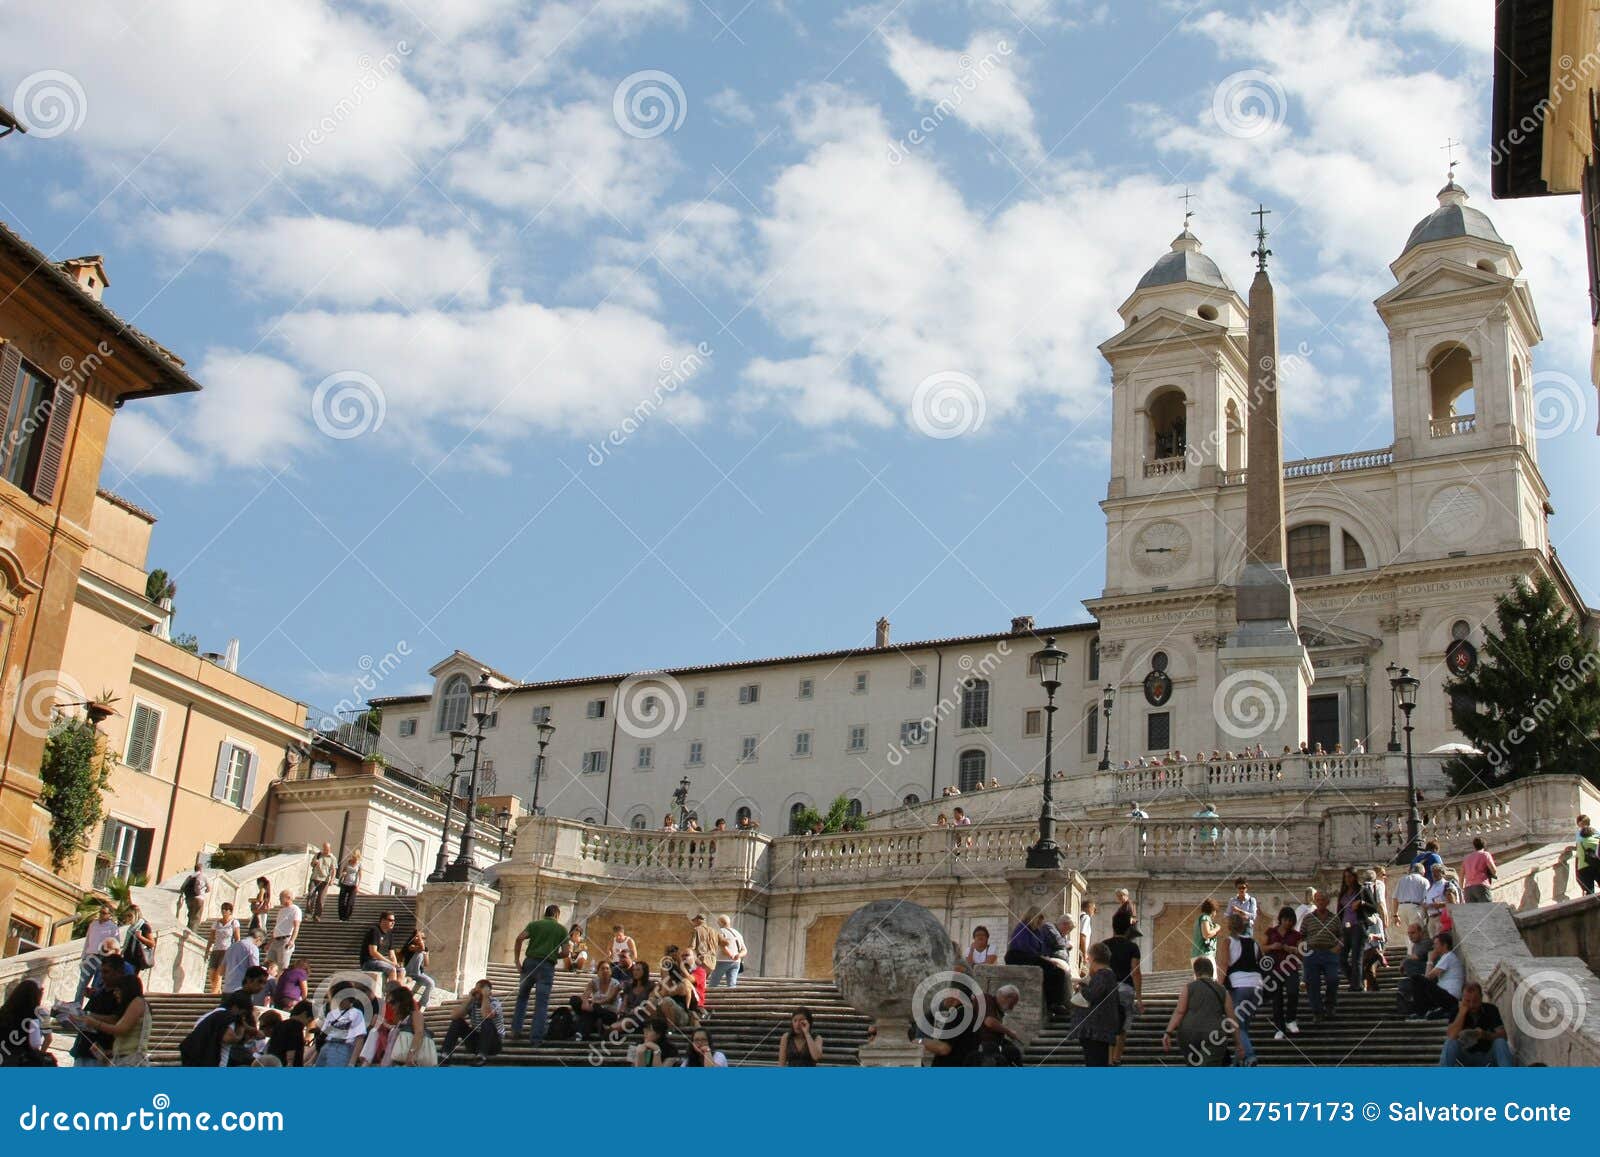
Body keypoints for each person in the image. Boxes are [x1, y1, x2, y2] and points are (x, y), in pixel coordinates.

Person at [1163, 957, 1238, 1066]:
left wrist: (1168, 1032)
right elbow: (1232, 1018)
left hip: (1188, 1034)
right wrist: (1239, 1044)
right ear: (1212, 971)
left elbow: (1179, 1012)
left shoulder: (1188, 987)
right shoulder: (1222, 990)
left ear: (1196, 972)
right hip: (1213, 1034)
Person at [513, 902, 568, 1042]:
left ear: (545, 913)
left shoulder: (534, 924)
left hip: (530, 962)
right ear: (557, 915)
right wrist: (554, 954)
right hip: (547, 966)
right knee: (541, 1003)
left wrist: (517, 960)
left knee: (522, 997)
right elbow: (566, 952)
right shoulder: (561, 929)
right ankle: (536, 1037)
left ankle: (516, 1030)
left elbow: (519, 938)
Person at [74, 973, 151, 1066]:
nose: (115, 993)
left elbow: (121, 1029)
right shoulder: (132, 1005)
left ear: (126, 990)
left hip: (131, 1060)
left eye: (118, 990)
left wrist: (95, 1023)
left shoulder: (138, 1002)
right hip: (122, 1059)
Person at [1004, 909, 1068, 1014]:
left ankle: (1057, 1003)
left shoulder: (1038, 932)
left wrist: (1047, 958)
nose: (1040, 923)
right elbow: (1025, 947)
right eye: (1039, 920)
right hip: (1018, 956)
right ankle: (1054, 1004)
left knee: (1058, 971)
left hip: (1032, 956)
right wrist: (1044, 959)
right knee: (1051, 970)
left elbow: (1041, 949)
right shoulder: (1022, 928)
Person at [1220, 914, 1262, 1066]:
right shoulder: (1254, 942)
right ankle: (1238, 1060)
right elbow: (1259, 962)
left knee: (1237, 1024)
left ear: (1229, 926)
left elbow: (1224, 964)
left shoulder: (1228, 941)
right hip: (1257, 987)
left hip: (1239, 985)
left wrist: (1218, 986)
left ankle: (1250, 1056)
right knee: (1243, 1027)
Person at [1072, 942, 1122, 1067]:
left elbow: (1093, 994)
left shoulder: (1104, 974)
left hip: (1096, 1031)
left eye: (1088, 959)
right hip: (1099, 1031)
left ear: (1092, 958)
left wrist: (1081, 988)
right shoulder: (1108, 975)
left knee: (1095, 1062)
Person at [1440, 983, 1515, 1067]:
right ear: (1462, 999)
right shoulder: (1456, 1010)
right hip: (1464, 1056)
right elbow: (1451, 1036)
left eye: (1475, 1001)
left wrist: (1485, 1035)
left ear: (1481, 998)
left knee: (1500, 1042)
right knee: (1450, 1043)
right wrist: (1461, 1013)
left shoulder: (1491, 1009)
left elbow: (1503, 1036)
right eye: (1467, 1001)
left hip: (1487, 1056)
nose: (1471, 1005)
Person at [1103, 913, 1143, 1065]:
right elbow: (1135, 972)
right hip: (1125, 989)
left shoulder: (1104, 945)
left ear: (1113, 927)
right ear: (1128, 929)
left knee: (1108, 1025)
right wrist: (1139, 998)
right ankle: (1116, 1059)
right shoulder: (1132, 947)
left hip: (1107, 989)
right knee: (1123, 1026)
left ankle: (1108, 1060)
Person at [180, 990, 258, 1067]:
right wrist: (240, 1033)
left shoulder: (209, 1015)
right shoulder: (227, 1016)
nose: (242, 1016)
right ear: (236, 1007)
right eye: (243, 1013)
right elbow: (228, 1038)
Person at [1299, 890, 1343, 1021]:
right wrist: (1303, 949)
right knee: (1312, 983)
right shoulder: (1308, 918)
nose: (1320, 902)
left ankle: (1330, 1006)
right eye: (1318, 900)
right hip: (1312, 953)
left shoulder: (1335, 918)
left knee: (1333, 979)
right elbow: (1301, 936)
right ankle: (1317, 1011)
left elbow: (1342, 936)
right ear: (1315, 901)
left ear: (1327, 902)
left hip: (1330, 953)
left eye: (1323, 900)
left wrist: (1338, 947)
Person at [442, 979, 503, 1065]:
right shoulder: (473, 1003)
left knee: (486, 1021)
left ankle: (481, 1056)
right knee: (457, 1022)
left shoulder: (495, 1003)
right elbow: (454, 1016)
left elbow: (486, 1015)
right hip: (475, 1042)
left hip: (493, 1044)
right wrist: (469, 999)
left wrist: (485, 997)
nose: (477, 993)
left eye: (479, 991)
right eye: (476, 990)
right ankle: (445, 1054)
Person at [1264, 906, 1302, 1039]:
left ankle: (1290, 1019)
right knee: (1277, 998)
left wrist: (1293, 949)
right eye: (1286, 920)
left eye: (1291, 921)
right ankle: (1279, 1027)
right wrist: (1272, 946)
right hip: (1274, 968)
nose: (1288, 923)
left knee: (1293, 991)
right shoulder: (1271, 932)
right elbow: (1262, 947)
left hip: (1290, 968)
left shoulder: (1296, 935)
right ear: (1281, 919)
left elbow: (1301, 952)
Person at [1409, 931, 1465, 1021]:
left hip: (1450, 997)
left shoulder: (1448, 956)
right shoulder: (1445, 957)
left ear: (1444, 945)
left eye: (1436, 944)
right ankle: (1425, 1011)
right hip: (1446, 997)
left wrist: (1430, 959)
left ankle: (1421, 1012)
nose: (1433, 947)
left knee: (1416, 978)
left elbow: (1428, 977)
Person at [0, 979, 53, 1067]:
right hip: (23, 1058)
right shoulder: (41, 1013)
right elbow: (47, 1039)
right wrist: (39, 1056)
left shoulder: (4, 1010)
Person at [75, 903, 119, 1003]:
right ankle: (77, 1004)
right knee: (82, 985)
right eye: (101, 912)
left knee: (96, 986)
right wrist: (83, 957)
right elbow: (87, 941)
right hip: (90, 956)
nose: (101, 915)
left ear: (109, 915)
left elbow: (115, 945)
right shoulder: (93, 924)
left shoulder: (113, 928)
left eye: (104, 913)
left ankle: (91, 1007)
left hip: (102, 959)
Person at [314, 987, 368, 1067]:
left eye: (342, 998)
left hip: (342, 1047)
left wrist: (352, 1062)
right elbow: (323, 1036)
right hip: (326, 1046)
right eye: (337, 997)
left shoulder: (356, 1013)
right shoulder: (331, 1014)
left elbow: (360, 1039)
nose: (339, 1001)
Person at [378, 986, 431, 1066]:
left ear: (402, 1001)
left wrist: (411, 1053)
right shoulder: (402, 1021)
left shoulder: (416, 1014)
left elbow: (419, 1033)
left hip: (411, 1060)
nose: (391, 1006)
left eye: (393, 1002)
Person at [571, 961, 622, 1039]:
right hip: (594, 1010)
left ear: (611, 972)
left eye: (607, 968)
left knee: (594, 1009)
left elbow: (609, 999)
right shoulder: (594, 982)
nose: (605, 971)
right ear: (598, 972)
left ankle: (581, 1032)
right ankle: (580, 1034)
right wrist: (585, 1003)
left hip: (609, 1013)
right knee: (574, 1000)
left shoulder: (615, 983)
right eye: (602, 969)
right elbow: (585, 995)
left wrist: (594, 1004)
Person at [204, 902, 240, 995]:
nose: (224, 911)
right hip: (215, 950)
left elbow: (237, 939)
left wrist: (236, 952)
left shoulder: (234, 922)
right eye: (223, 909)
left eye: (226, 909)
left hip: (226, 950)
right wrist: (207, 950)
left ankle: (213, 994)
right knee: (212, 974)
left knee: (218, 974)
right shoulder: (216, 923)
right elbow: (211, 938)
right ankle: (218, 991)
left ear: (230, 911)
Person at [266, 1000, 315, 1067]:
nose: (308, 1023)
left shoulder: (280, 1024)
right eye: (310, 1019)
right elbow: (292, 1048)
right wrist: (290, 1064)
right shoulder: (296, 1026)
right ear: (304, 1014)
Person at [360, 911, 402, 984]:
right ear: (383, 920)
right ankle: (392, 990)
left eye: (394, 920)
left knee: (401, 970)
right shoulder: (375, 931)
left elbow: (392, 955)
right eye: (390, 920)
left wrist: (395, 964)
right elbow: (373, 952)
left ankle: (398, 990)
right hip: (369, 962)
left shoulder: (390, 934)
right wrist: (390, 963)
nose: (393, 922)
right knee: (392, 969)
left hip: (381, 962)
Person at [1424, 864, 1462, 938]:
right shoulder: (1431, 887)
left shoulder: (1447, 885)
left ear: (1442, 873)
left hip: (1442, 917)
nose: (1434, 874)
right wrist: (1426, 906)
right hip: (1431, 918)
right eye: (1432, 872)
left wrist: (1439, 904)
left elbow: (1453, 903)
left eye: (1436, 872)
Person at [222, 926, 263, 993]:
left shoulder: (231, 947)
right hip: (242, 989)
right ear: (258, 939)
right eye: (260, 944)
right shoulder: (253, 948)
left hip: (226, 989)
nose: (259, 946)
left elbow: (221, 971)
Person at [267, 889, 301, 968]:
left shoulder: (295, 909)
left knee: (282, 966)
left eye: (281, 897)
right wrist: (270, 942)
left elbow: (296, 926)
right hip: (275, 940)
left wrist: (292, 940)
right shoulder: (281, 910)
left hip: (285, 940)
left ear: (288, 898)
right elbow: (277, 927)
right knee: (270, 965)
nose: (279, 899)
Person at [711, 914, 747, 988]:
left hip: (722, 961)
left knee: (713, 983)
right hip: (736, 962)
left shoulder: (720, 932)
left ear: (721, 922)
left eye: (718, 922)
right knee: (732, 985)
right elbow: (745, 950)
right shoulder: (738, 934)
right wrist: (738, 955)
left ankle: (710, 995)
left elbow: (722, 947)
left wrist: (731, 955)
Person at [1392, 863, 1429, 933]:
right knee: (1416, 933)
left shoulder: (1402, 879)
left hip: (1402, 908)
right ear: (1422, 872)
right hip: (1415, 908)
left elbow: (1395, 898)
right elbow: (1426, 898)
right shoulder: (1424, 881)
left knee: (1407, 933)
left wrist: (1395, 914)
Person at [122, 903, 156, 976]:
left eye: (130, 915)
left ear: (136, 915)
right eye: (127, 915)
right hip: (126, 959)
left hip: (135, 961)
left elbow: (152, 944)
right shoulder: (131, 927)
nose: (128, 918)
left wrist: (140, 937)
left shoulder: (144, 926)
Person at [403, 932, 435, 1007]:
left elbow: (426, 964)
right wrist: (420, 941)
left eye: (422, 938)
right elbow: (421, 949)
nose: (420, 939)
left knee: (431, 983)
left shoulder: (425, 949)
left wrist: (426, 954)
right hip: (409, 970)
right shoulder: (410, 946)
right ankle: (411, 975)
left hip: (419, 973)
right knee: (419, 953)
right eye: (417, 937)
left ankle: (423, 1003)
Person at [1460, 837, 1497, 902]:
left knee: (1472, 908)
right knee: (1487, 907)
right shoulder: (1485, 854)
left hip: (1468, 889)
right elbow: (1494, 870)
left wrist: (1462, 889)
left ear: (1474, 846)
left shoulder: (1466, 858)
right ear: (1484, 845)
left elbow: (1461, 876)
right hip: (1481, 886)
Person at [307, 842, 335, 921]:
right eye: (324, 849)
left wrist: (332, 879)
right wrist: (314, 862)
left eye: (327, 849)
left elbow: (334, 870)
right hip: (314, 878)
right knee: (310, 895)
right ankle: (308, 914)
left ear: (329, 849)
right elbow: (312, 864)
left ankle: (317, 915)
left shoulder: (332, 858)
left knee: (320, 899)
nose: (326, 850)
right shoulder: (318, 855)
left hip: (324, 881)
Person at [179, 861, 209, 931]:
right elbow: (209, 888)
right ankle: (192, 932)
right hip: (199, 899)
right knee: (196, 917)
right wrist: (204, 891)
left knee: (190, 915)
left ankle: (188, 929)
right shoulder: (203, 876)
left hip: (189, 899)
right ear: (201, 869)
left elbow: (182, 887)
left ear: (195, 869)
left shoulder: (190, 876)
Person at [1191, 899, 1220, 971]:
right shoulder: (1205, 917)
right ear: (1213, 910)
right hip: (1205, 956)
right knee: (1209, 978)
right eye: (1216, 911)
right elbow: (1206, 934)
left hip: (1198, 956)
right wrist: (1217, 929)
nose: (1215, 914)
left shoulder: (1199, 919)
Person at [1574, 824, 1599, 896]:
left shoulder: (1579, 843)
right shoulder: (1597, 841)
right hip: (1597, 866)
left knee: (1590, 891)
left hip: (1583, 868)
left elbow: (1577, 857)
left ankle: (1591, 902)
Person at [337, 851, 361, 921]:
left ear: (358, 858)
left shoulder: (359, 864)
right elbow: (343, 871)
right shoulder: (347, 862)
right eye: (353, 857)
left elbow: (360, 875)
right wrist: (343, 873)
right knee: (341, 901)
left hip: (353, 885)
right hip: (345, 883)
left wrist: (358, 885)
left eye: (356, 858)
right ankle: (341, 916)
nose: (354, 859)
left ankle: (347, 917)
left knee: (350, 902)